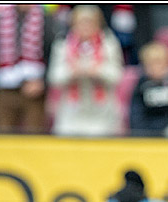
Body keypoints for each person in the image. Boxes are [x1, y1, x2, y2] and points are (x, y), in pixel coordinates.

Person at [0, 4, 56, 134]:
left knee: (34, 133)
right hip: (6, 86)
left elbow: (51, 54)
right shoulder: (2, 18)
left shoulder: (45, 19)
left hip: (33, 88)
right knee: (4, 131)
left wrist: (43, 82)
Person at [47, 5, 124, 137]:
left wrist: (98, 71)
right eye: (81, 22)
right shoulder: (63, 44)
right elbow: (54, 78)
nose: (85, 26)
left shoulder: (109, 44)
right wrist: (71, 72)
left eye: (89, 22)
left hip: (102, 113)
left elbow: (117, 76)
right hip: (71, 113)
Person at [129, 41, 168, 137]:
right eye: (151, 64)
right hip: (146, 134)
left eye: (159, 63)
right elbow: (136, 116)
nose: (155, 68)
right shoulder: (141, 87)